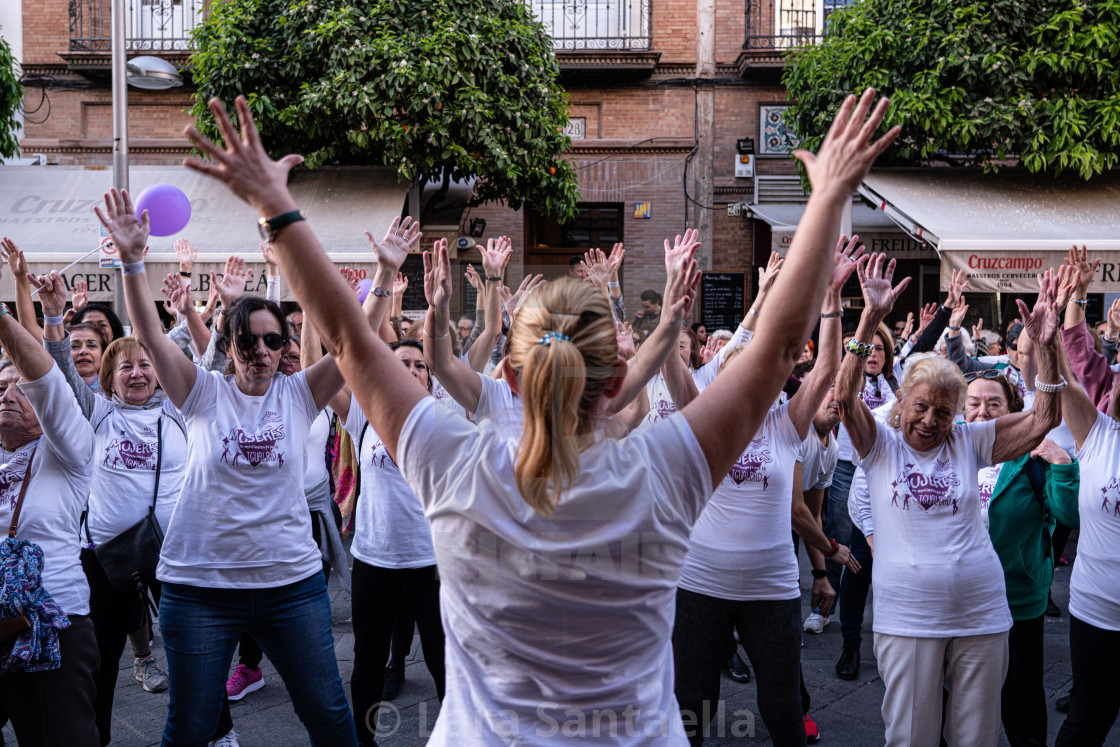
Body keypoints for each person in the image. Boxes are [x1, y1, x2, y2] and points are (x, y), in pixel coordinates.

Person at [181, 88, 899, 743]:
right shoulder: (667, 468)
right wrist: (829, 194)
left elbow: (345, 336)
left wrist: (274, 204)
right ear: (617, 378)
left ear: (513, 376)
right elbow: (777, 352)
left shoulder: (454, 460)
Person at [95, 188, 358, 746]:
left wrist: (381, 279)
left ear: (284, 345)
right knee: (189, 726)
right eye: (247, 340)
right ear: (230, 345)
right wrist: (132, 261)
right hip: (199, 588)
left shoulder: (299, 394)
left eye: (272, 340)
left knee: (331, 717)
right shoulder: (201, 392)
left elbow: (354, 343)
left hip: (290, 584)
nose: (261, 350)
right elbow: (145, 332)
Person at [836, 256, 1063, 747]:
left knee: (975, 739)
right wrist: (869, 320)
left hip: (982, 612)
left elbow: (1043, 419)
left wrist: (1048, 347)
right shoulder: (879, 443)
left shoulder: (968, 440)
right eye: (920, 407)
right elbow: (843, 396)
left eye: (943, 411)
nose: (930, 421)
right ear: (901, 406)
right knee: (911, 738)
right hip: (908, 618)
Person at [672, 235, 863, 747]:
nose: (748, 387)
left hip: (772, 587)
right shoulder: (704, 422)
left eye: (758, 378)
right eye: (738, 377)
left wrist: (831, 303)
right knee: (693, 701)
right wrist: (675, 304)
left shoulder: (785, 424)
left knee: (782, 703)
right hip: (701, 584)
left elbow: (827, 369)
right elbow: (672, 368)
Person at [33, 272, 188, 744]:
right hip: (104, 555)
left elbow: (204, 352)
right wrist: (54, 316)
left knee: (192, 652)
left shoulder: (182, 410)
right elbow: (57, 373)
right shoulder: (97, 411)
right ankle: (95, 735)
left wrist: (189, 315)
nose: (138, 373)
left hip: (176, 553)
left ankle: (209, 730)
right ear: (108, 377)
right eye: (125, 368)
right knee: (101, 656)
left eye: (145, 364)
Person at [0, 272, 98, 745]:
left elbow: (44, 377)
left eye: (19, 390)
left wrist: (3, 313)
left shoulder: (69, 449)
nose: (8, 396)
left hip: (52, 624)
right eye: (0, 389)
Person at [962, 367, 1080, 747]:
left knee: (1021, 699)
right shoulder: (947, 453)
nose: (983, 411)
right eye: (974, 403)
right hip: (958, 598)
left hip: (1017, 597)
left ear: (1013, 409)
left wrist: (1062, 464)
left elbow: (1068, 516)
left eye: (994, 403)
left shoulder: (1032, 457)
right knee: (956, 698)